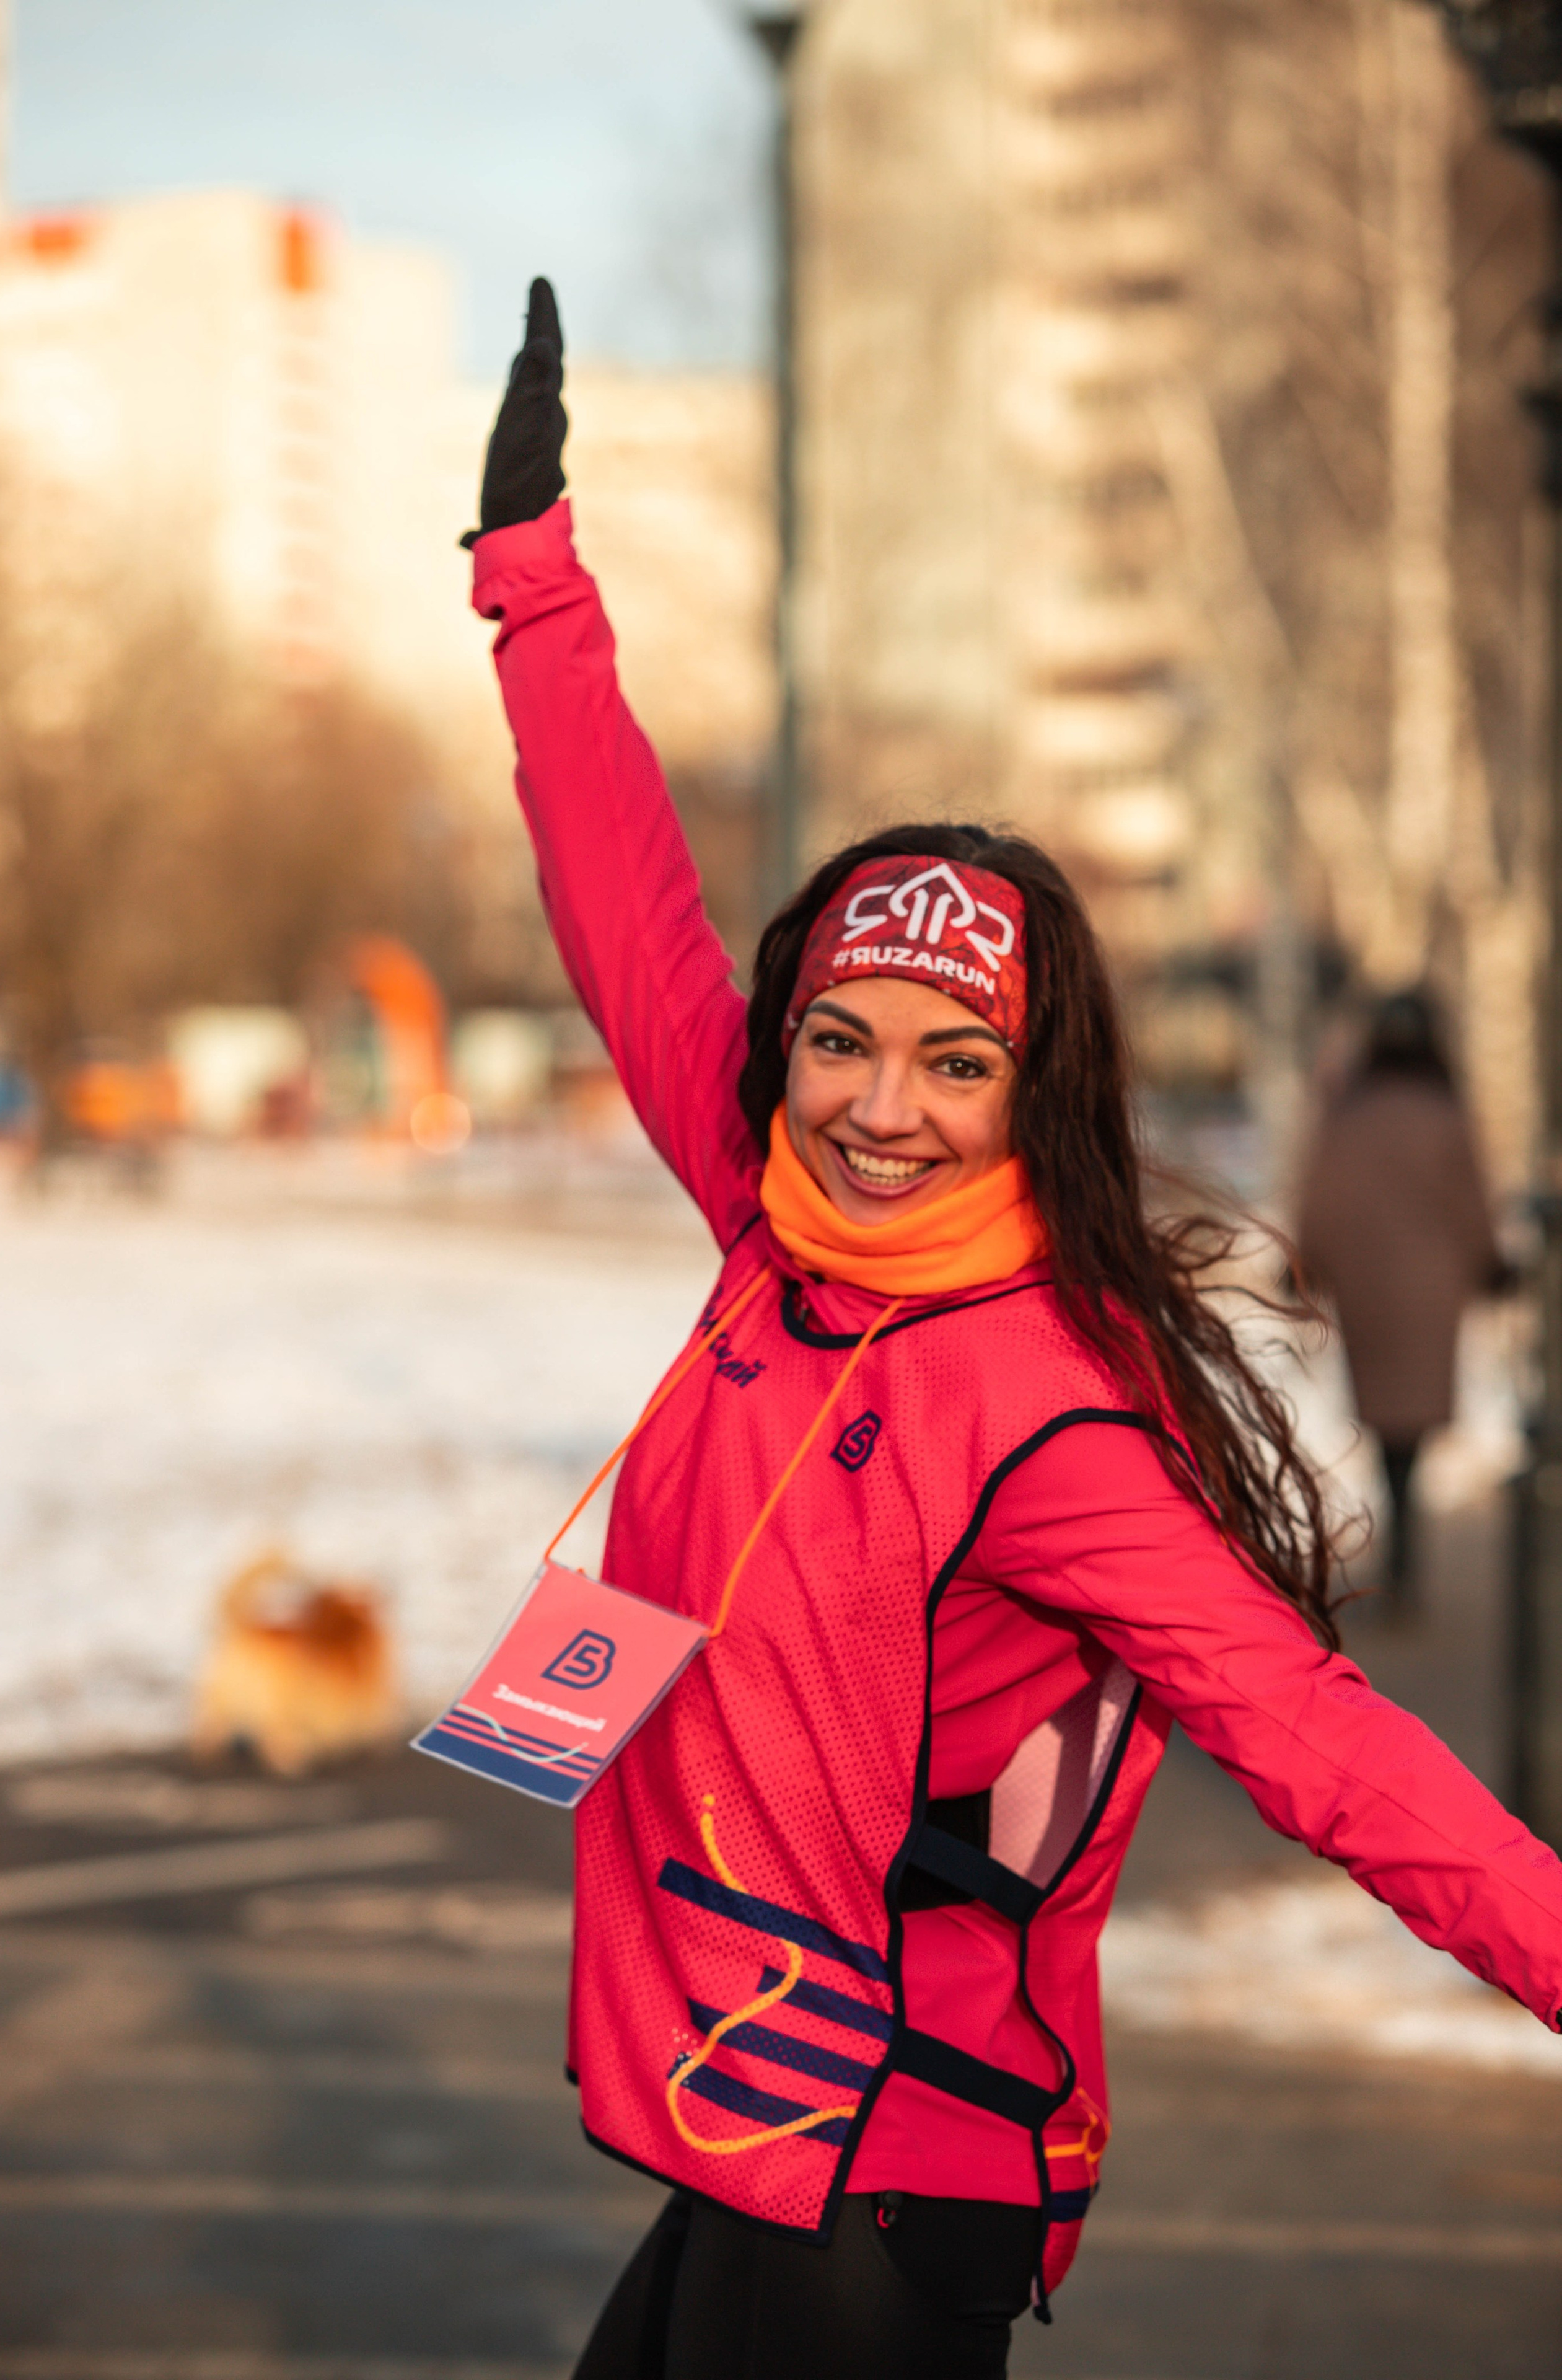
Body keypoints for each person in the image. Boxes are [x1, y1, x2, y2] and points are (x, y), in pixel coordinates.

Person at [463, 283, 1562, 2380]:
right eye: (841, 1043)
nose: (883, 1106)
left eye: (954, 1063)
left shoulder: (1045, 1419)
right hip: (760, 2126)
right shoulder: (783, 1229)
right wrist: (537, 590)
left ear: (1031, 1091)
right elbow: (626, 908)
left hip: (890, 2161)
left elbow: (1325, 1743)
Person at [1297, 990, 1507, 1615]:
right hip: (1430, 1286)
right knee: (1411, 1420)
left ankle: (1401, 1536)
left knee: (1383, 1415)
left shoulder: (1348, 1112)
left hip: (1366, 1287)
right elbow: (1470, 1201)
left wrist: (1308, 1262)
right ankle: (1407, 1543)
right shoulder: (1444, 1112)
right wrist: (1490, 1264)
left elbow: (1320, 1199)